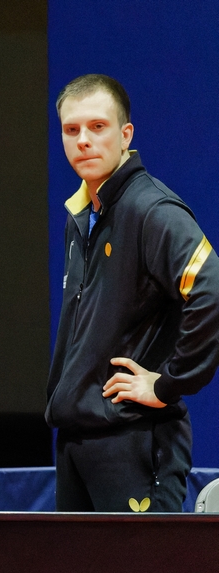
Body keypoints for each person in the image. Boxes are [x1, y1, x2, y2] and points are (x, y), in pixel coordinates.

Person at [47, 74, 219, 512]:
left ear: (126, 135)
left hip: (134, 441)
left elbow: (212, 288)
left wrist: (168, 383)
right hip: (76, 441)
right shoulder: (80, 214)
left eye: (97, 127)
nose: (83, 140)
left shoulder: (151, 209)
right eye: (71, 129)